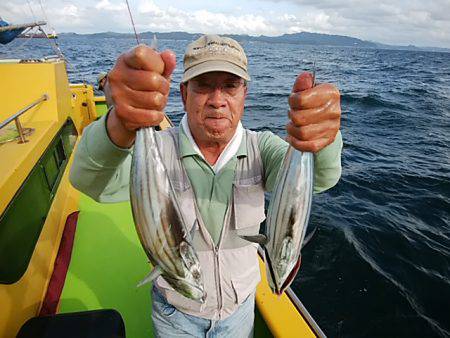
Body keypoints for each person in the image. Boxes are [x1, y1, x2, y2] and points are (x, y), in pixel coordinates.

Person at [69, 34, 342, 337]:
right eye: (203, 85)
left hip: (238, 312)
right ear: (184, 93)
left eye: (230, 85)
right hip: (175, 313)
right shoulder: (155, 149)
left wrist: (321, 137)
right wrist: (119, 124)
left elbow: (318, 179)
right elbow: (89, 180)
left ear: (244, 94)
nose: (217, 99)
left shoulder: (262, 148)